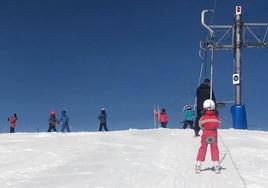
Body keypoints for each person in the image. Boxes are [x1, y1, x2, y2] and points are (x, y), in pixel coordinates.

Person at [195, 99, 221, 174]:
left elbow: (200, 124)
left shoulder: (203, 117)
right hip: (214, 134)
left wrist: (203, 128)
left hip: (205, 134)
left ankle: (198, 164)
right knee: (214, 148)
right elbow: (219, 123)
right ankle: (216, 165)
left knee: (203, 148)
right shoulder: (216, 116)